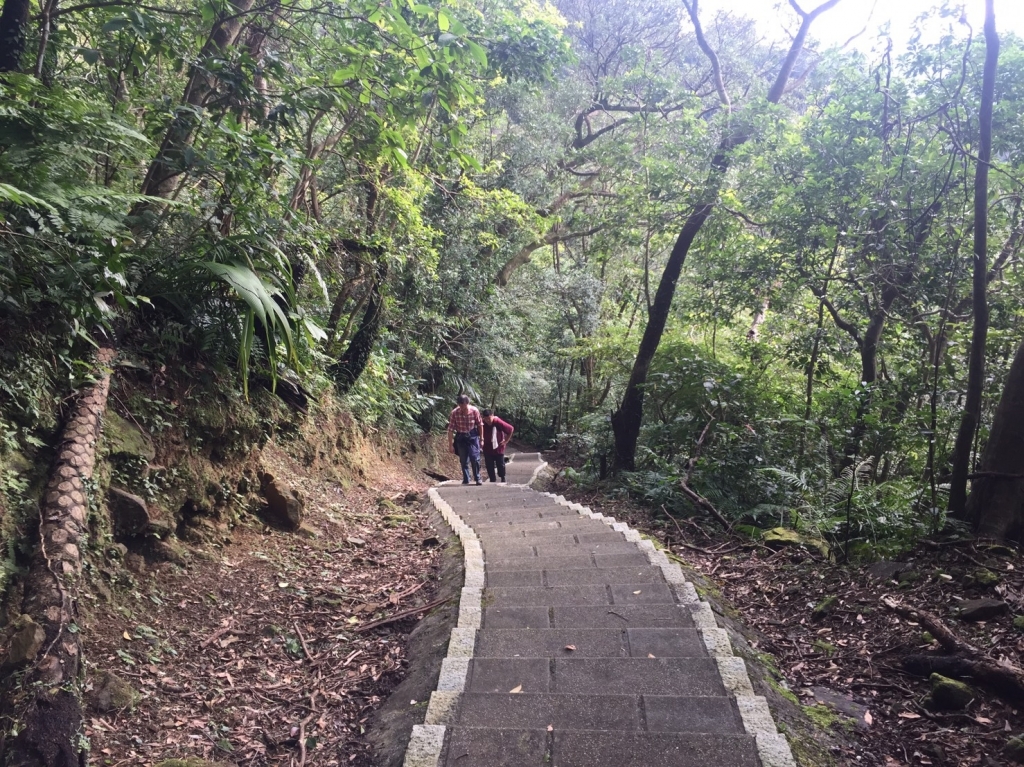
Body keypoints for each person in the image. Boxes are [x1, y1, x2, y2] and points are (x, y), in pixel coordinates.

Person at [447, 394, 484, 485]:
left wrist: (482, 439)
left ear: (468, 403)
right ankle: (466, 478)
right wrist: (450, 444)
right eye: (460, 405)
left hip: (472, 436)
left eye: (463, 405)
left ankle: (477, 478)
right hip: (461, 436)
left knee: (474, 458)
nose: (462, 407)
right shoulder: (454, 413)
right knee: (463, 460)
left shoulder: (474, 411)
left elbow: (480, 425)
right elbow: (450, 429)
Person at [481, 409, 514, 483]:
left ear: (492, 416)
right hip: (487, 447)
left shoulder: (497, 422)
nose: (488, 421)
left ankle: (502, 477)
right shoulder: (482, 423)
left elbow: (511, 429)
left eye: (489, 418)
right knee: (489, 465)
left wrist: (506, 441)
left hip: (498, 447)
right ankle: (492, 480)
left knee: (500, 464)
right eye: (486, 419)